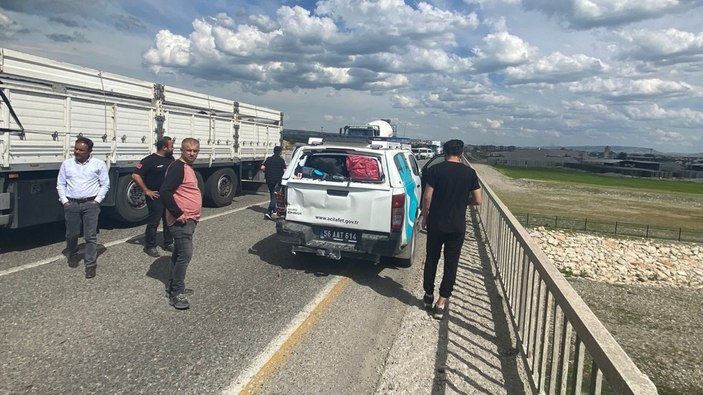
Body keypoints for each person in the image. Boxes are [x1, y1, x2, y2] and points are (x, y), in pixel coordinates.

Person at [421, 139, 482, 319]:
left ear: (444, 153)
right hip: (457, 226)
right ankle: (441, 302)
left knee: (432, 258)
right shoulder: (470, 173)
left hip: (436, 223)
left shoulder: (435, 170)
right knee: (451, 263)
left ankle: (428, 295)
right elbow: (478, 200)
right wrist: (464, 202)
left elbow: (427, 197)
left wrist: (425, 217)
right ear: (461, 154)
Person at [56, 136, 110, 279]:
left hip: (90, 204)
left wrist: (97, 200)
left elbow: (105, 183)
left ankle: (90, 264)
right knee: (71, 234)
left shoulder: (98, 164)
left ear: (89, 151)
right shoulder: (67, 164)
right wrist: (65, 201)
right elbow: (61, 183)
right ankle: (72, 254)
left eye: (81, 150)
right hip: (72, 204)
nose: (77, 152)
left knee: (90, 236)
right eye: (76, 149)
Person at [160, 138, 202, 310]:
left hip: (190, 218)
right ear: (181, 150)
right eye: (188, 150)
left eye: (195, 151)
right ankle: (177, 294)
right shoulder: (178, 167)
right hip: (182, 220)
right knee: (185, 255)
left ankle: (174, 285)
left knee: (178, 254)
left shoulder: (187, 167)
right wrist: (178, 213)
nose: (192, 153)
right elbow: (165, 192)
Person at [132, 136, 175, 257]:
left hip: (168, 195)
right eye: (171, 146)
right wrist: (146, 190)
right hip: (155, 196)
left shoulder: (170, 158)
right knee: (154, 222)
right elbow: (136, 175)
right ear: (164, 147)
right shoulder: (149, 161)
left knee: (169, 220)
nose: (173, 148)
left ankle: (168, 243)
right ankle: (150, 246)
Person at [260, 146, 286, 219]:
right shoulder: (281, 160)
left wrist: (266, 171)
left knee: (272, 194)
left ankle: (274, 209)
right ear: (280, 152)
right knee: (275, 196)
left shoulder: (269, 159)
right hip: (277, 180)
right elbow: (284, 170)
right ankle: (269, 211)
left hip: (269, 179)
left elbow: (262, 168)